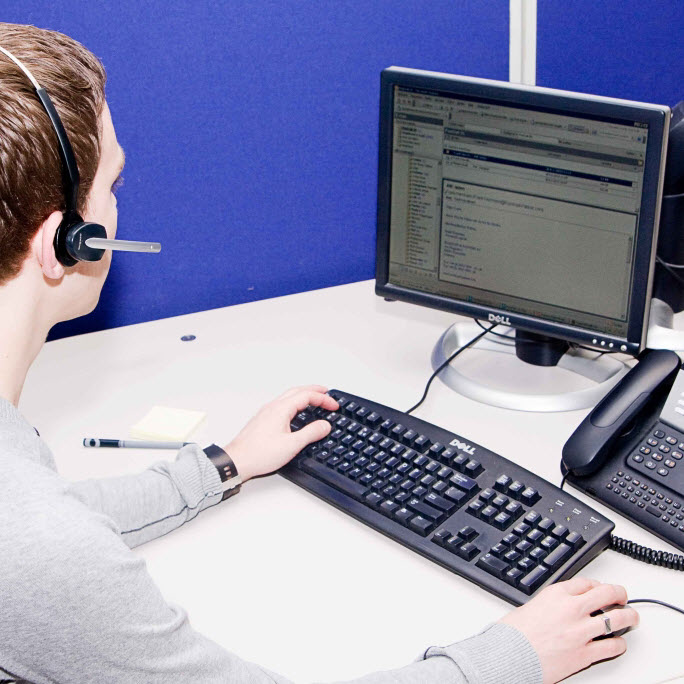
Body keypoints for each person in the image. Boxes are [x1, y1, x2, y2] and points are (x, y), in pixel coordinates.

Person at [0, 22, 639, 684]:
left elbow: (50, 526)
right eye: (114, 184)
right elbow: (48, 552)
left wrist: (224, 465)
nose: (117, 204)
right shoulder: (42, 549)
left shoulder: (27, 509)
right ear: (67, 242)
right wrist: (513, 656)